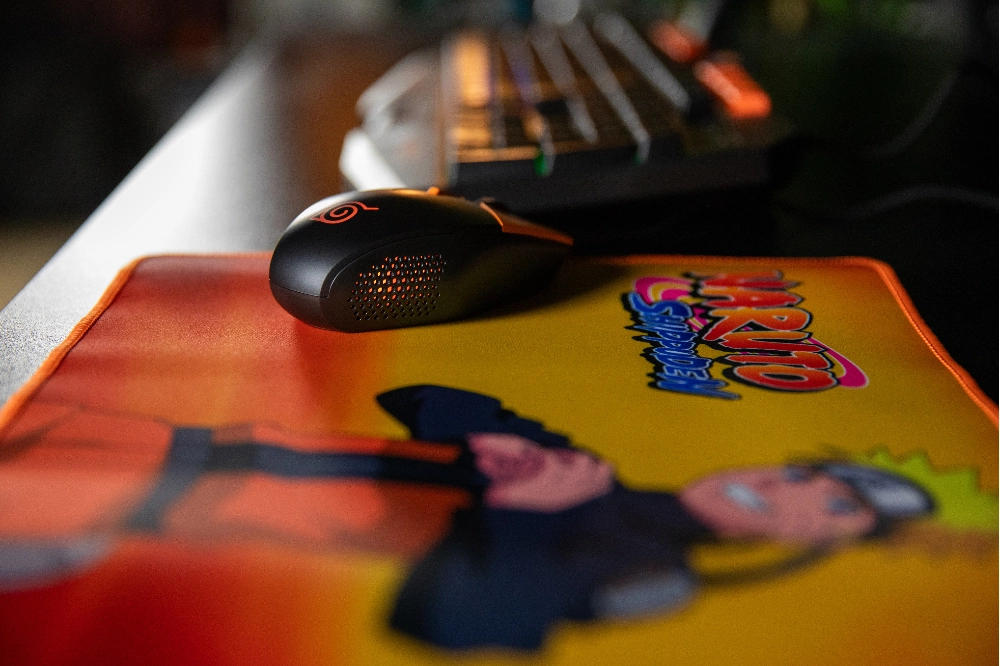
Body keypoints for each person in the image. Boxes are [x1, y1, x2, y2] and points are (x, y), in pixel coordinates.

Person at [0, 385, 934, 651]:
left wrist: (524, 514)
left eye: (835, 508)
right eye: (807, 473)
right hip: (104, 437)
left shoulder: (651, 572)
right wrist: (490, 440)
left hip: (112, 528)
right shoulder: (584, 468)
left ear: (812, 547)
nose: (787, 486)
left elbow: (447, 622)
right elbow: (423, 396)